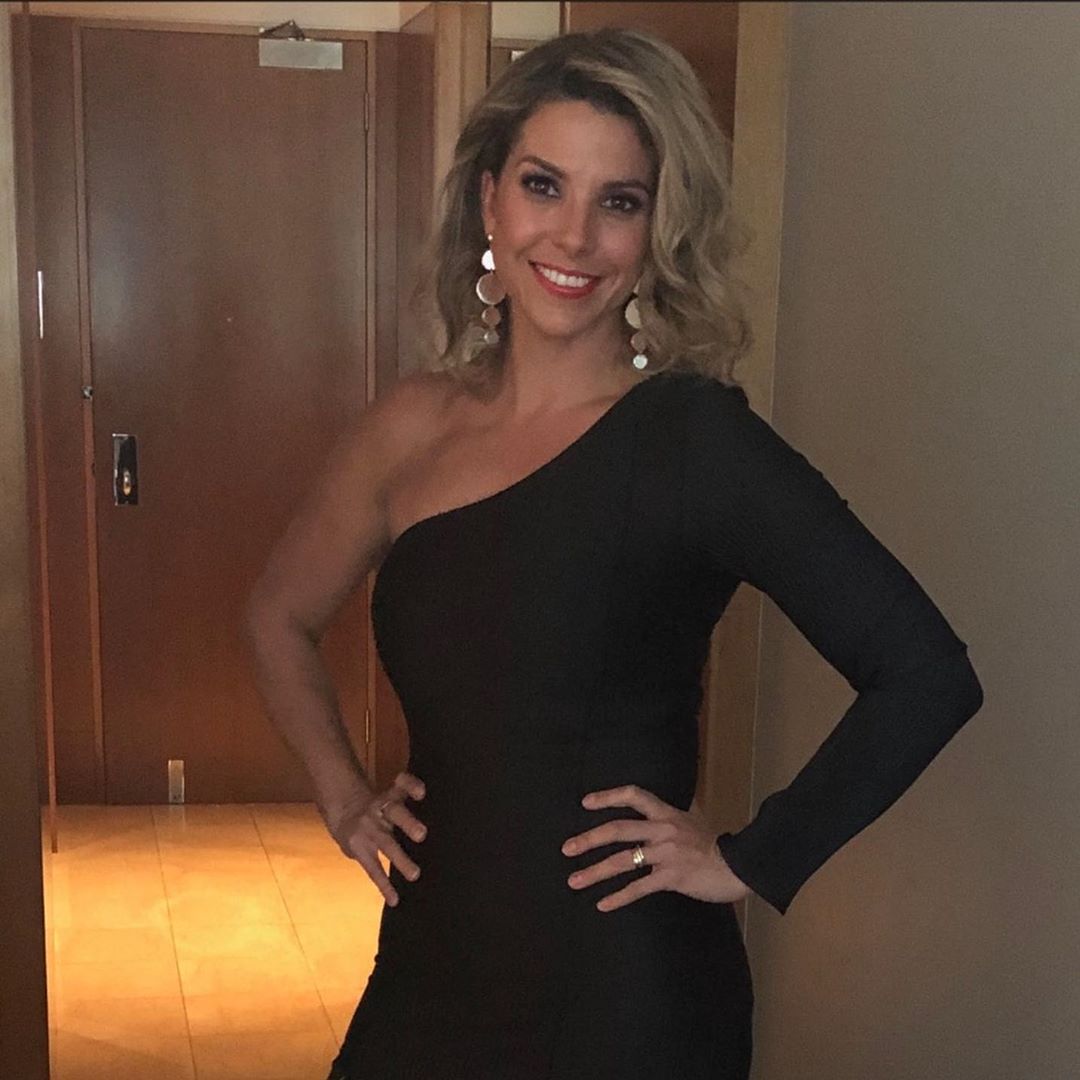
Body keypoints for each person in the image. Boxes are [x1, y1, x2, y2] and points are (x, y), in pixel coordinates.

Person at [244, 28, 984, 1080]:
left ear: (657, 230)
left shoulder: (695, 441)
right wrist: (343, 797)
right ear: (490, 199)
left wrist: (750, 856)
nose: (576, 236)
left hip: (626, 989)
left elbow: (925, 671)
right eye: (544, 185)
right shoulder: (408, 427)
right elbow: (277, 617)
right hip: (431, 962)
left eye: (620, 202)